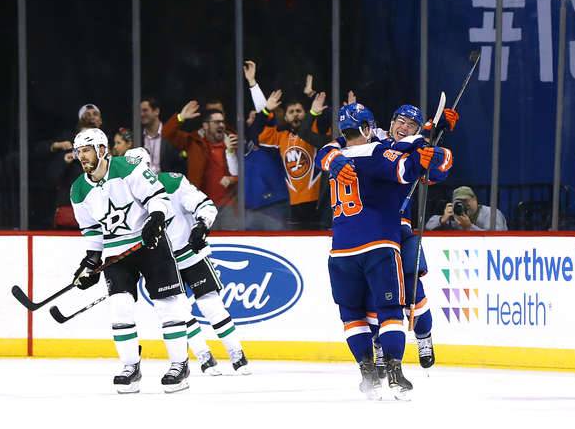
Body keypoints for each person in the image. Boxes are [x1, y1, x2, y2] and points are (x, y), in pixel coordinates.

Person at [322, 103, 451, 400]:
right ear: (383, 123)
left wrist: (436, 141)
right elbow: (406, 168)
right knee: (383, 304)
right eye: (400, 121)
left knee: (409, 289)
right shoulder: (378, 146)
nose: (403, 127)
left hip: (372, 238)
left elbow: (439, 168)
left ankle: (422, 338)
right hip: (381, 239)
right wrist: (424, 151)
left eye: (411, 124)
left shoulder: (353, 150)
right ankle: (388, 363)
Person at [69, 128, 191, 393]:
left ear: (102, 149)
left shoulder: (127, 168)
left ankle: (179, 364)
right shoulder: (78, 190)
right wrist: (90, 262)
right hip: (116, 254)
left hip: (150, 245)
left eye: (86, 150)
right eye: (79, 152)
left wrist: (156, 218)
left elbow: (158, 196)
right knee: (120, 305)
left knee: (166, 304)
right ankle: (130, 366)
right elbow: (91, 230)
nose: (82, 156)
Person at [125, 147, 250, 375]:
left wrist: (201, 226)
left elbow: (204, 204)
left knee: (210, 305)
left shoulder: (172, 183)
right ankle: (204, 356)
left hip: (189, 253)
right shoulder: (125, 199)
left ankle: (236, 353)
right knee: (179, 311)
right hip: (162, 262)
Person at [245, 60, 328, 229]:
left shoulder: (315, 128)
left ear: (306, 114)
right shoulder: (280, 136)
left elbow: (327, 114)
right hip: (292, 205)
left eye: (299, 111)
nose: (295, 115)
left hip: (318, 202)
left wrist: (312, 94)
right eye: (291, 112)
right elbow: (255, 132)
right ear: (286, 117)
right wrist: (258, 94)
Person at [163, 103, 239, 230]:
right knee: (205, 243)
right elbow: (167, 133)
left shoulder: (233, 142)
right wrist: (181, 117)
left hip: (228, 207)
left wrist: (232, 179)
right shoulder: (194, 142)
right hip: (203, 206)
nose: (221, 125)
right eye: (216, 122)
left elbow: (244, 174)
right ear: (205, 125)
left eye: (222, 122)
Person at [426, 186, 507, 231]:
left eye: (465, 201)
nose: (463, 205)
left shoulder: (491, 213)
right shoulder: (454, 213)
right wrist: (442, 220)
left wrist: (469, 227)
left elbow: (495, 239)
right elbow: (427, 227)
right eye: (459, 201)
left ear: (475, 200)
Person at [141, 97, 185, 174]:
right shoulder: (138, 137)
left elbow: (180, 163)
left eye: (145, 110)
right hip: (144, 184)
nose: (141, 114)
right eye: (140, 111)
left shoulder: (170, 134)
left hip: (167, 183)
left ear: (156, 111)